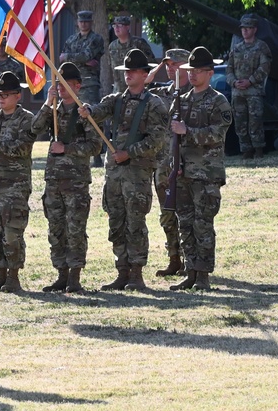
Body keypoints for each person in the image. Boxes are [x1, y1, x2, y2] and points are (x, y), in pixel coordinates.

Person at [79, 49, 168, 291]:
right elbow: (97, 111)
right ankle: (122, 272)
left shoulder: (154, 105)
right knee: (116, 222)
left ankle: (137, 274)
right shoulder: (116, 99)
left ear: (144, 74)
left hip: (137, 174)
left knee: (135, 222)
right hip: (114, 175)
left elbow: (157, 140)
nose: (128, 75)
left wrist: (129, 153)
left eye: (133, 71)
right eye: (126, 71)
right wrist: (86, 110)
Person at [29, 63, 103, 293]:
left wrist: (68, 149)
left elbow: (96, 146)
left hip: (76, 181)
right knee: (56, 229)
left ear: (77, 86)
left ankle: (74, 277)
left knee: (75, 229)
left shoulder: (84, 113)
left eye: (65, 84)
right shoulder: (53, 110)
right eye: (57, 84)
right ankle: (61, 273)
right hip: (53, 180)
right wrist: (46, 104)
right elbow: (34, 128)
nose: (60, 88)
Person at [170, 47, 232, 291]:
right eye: (190, 70)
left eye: (198, 71)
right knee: (185, 223)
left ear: (210, 73)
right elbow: (173, 135)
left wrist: (188, 132)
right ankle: (191, 271)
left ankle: (204, 275)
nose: (193, 75)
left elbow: (218, 133)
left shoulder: (218, 101)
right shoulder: (182, 100)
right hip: (184, 172)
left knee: (203, 224)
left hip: (206, 174)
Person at [0, 71, 36, 293]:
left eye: (6, 94)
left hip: (15, 185)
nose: (0, 99)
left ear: (18, 96)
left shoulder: (27, 120)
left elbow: (23, 149)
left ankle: (13, 276)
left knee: (12, 233)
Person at [145, 48, 191, 277]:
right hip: (164, 166)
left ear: (186, 66)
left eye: (175, 64)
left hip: (190, 165)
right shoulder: (161, 94)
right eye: (167, 65)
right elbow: (137, 88)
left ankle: (192, 261)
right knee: (167, 213)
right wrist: (153, 73)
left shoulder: (196, 93)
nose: (170, 69)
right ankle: (174, 258)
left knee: (188, 214)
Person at [225, 14, 272, 158]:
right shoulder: (237, 48)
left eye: (248, 28)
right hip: (238, 93)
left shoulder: (261, 47)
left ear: (254, 29)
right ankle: (246, 149)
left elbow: (265, 67)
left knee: (255, 122)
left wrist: (250, 81)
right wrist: (234, 82)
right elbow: (229, 68)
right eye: (243, 28)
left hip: (254, 92)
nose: (245, 31)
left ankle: (258, 149)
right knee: (240, 123)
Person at [59, 10, 105, 105]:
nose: (83, 24)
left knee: (90, 113)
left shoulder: (96, 39)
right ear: (77, 23)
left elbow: (85, 56)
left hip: (89, 84)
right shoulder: (71, 40)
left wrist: (69, 56)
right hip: (71, 83)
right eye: (81, 21)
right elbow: (62, 59)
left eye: (86, 21)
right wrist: (83, 60)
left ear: (91, 23)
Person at [107, 14, 156, 95]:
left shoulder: (139, 43)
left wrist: (145, 80)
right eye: (114, 26)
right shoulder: (112, 46)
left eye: (119, 25)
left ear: (127, 27)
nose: (116, 28)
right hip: (119, 91)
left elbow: (152, 64)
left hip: (138, 90)